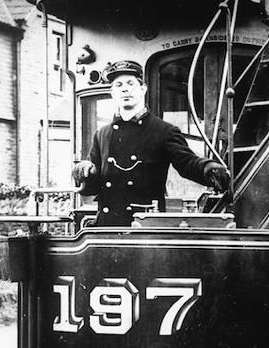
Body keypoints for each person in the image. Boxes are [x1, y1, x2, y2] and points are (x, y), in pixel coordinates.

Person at [72, 60, 230, 226]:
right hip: (106, 227)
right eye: (118, 85)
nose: (125, 89)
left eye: (130, 83)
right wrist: (85, 173)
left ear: (143, 90)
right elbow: (93, 187)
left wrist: (208, 168)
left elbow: (187, 162)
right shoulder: (101, 135)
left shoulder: (163, 131)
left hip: (145, 227)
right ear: (113, 93)